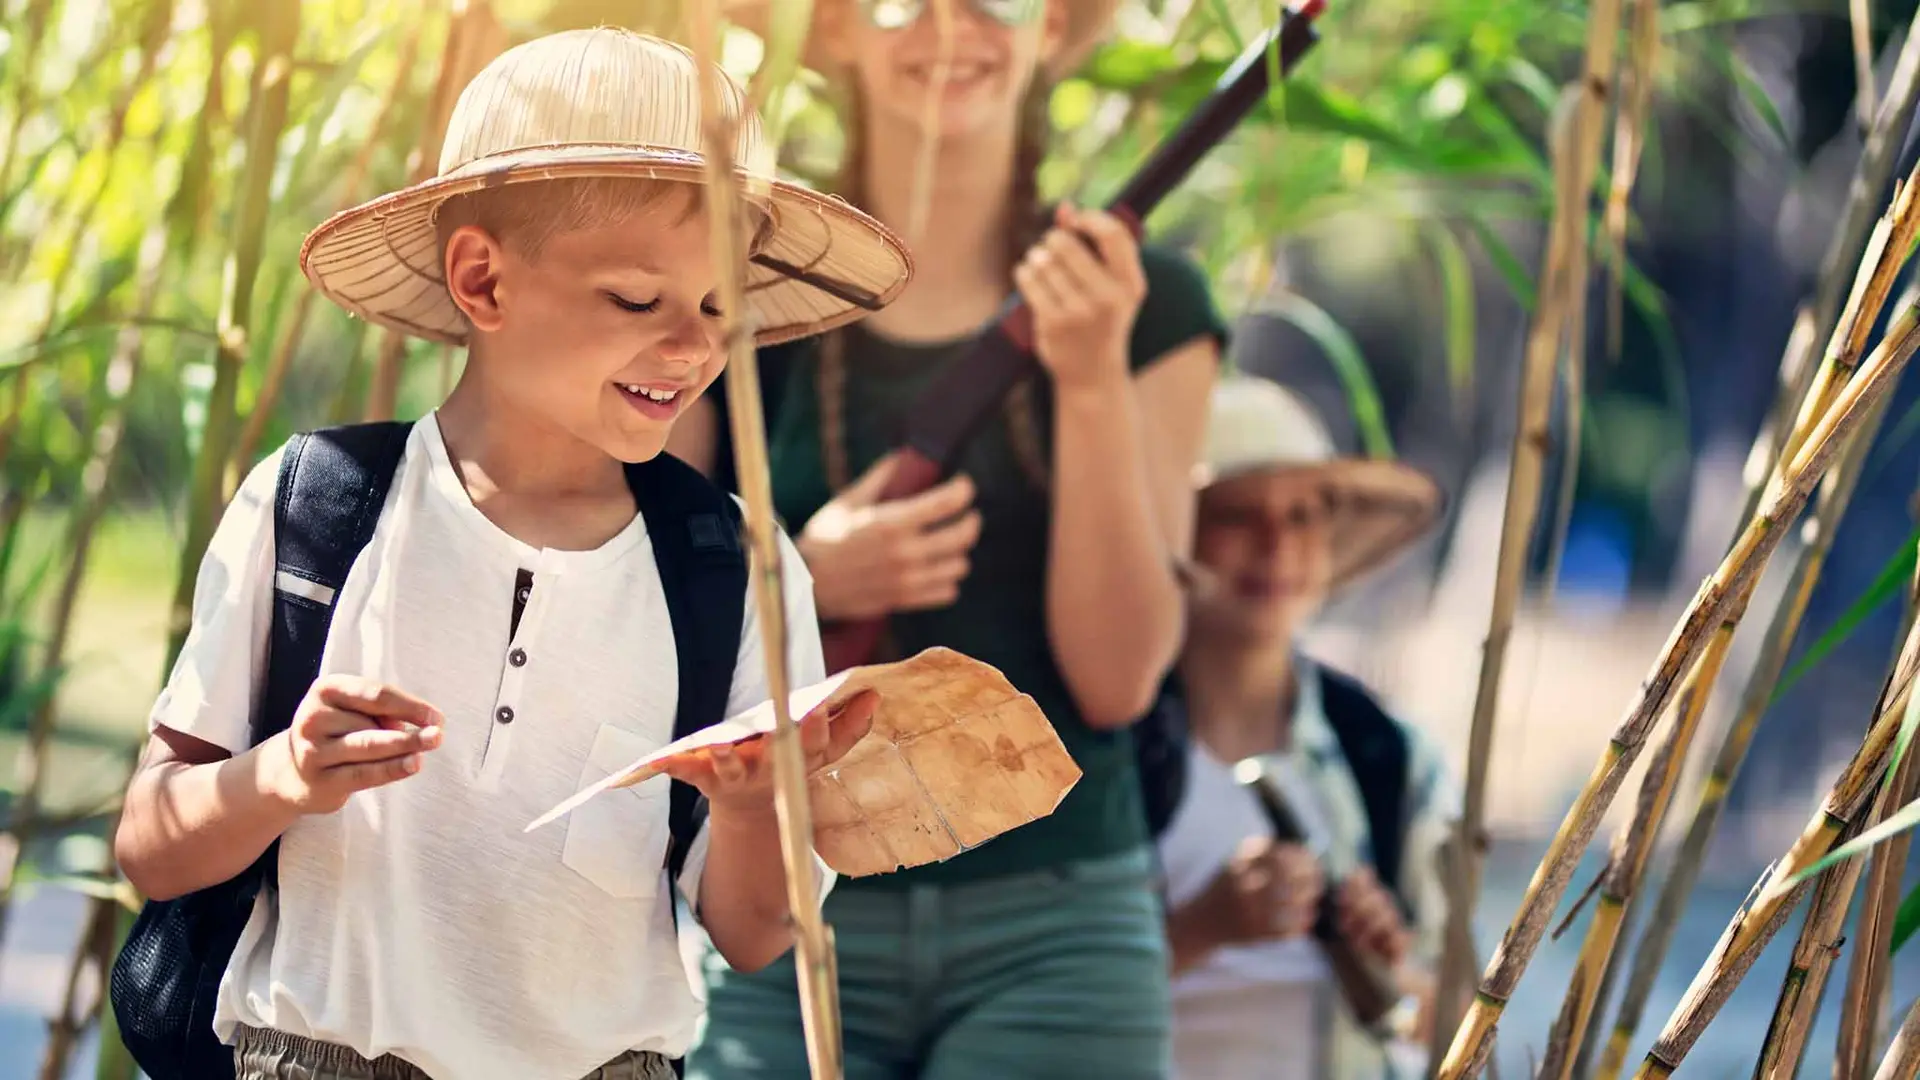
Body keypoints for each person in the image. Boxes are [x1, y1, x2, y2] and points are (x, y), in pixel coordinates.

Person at [111, 29, 913, 1080]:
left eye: (721, 309)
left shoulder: (737, 573)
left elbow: (758, 934)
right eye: (638, 299)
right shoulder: (318, 512)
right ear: (482, 280)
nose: (693, 347)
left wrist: (754, 802)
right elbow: (150, 845)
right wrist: (286, 776)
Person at [686, 0, 1228, 1076]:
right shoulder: (724, 291)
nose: (950, 23)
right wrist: (808, 577)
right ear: (833, 26)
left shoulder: (1152, 305)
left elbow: (1119, 681)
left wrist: (1086, 377)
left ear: (1056, 24)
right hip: (772, 911)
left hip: (1061, 932)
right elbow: (647, 624)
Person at [1156, 372, 1457, 1080]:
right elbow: (1037, 994)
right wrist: (1202, 927)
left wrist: (1386, 969)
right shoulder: (1103, 749)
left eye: (1302, 516)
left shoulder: (1389, 758)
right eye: (1236, 515)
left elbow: (1463, 1025)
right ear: (1177, 533)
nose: (1275, 545)